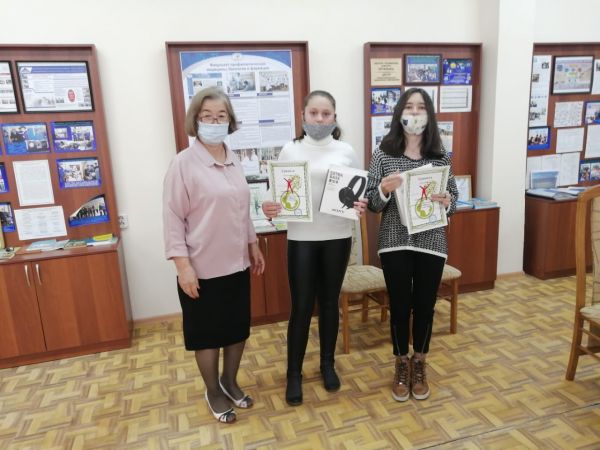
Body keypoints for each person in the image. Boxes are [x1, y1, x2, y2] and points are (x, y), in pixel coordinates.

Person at [163, 86, 265, 424]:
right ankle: (213, 390)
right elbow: (173, 218)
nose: (214, 122)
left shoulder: (233, 160)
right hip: (202, 268)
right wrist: (183, 267)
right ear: (196, 120)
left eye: (221, 116)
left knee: (236, 329)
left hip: (236, 263)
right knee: (207, 335)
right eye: (207, 116)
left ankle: (230, 381)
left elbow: (242, 209)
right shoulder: (183, 164)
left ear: (230, 121)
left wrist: (253, 244)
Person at [262, 90, 367, 406]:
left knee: (330, 303)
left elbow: (359, 190)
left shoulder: (346, 150)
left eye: (326, 114)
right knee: (302, 306)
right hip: (301, 239)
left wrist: (360, 204)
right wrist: (270, 207)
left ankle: (327, 364)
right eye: (313, 114)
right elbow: (275, 193)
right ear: (303, 116)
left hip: (337, 236)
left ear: (334, 117)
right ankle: (293, 373)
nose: (319, 120)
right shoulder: (290, 150)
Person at [365, 87, 458, 402]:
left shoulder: (441, 156)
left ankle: (420, 361)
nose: (415, 113)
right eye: (409, 107)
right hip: (394, 241)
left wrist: (447, 200)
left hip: (431, 241)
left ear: (429, 114)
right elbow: (372, 202)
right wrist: (384, 189)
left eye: (421, 107)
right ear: (399, 113)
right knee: (400, 305)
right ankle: (400, 362)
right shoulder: (383, 154)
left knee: (425, 306)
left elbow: (454, 199)